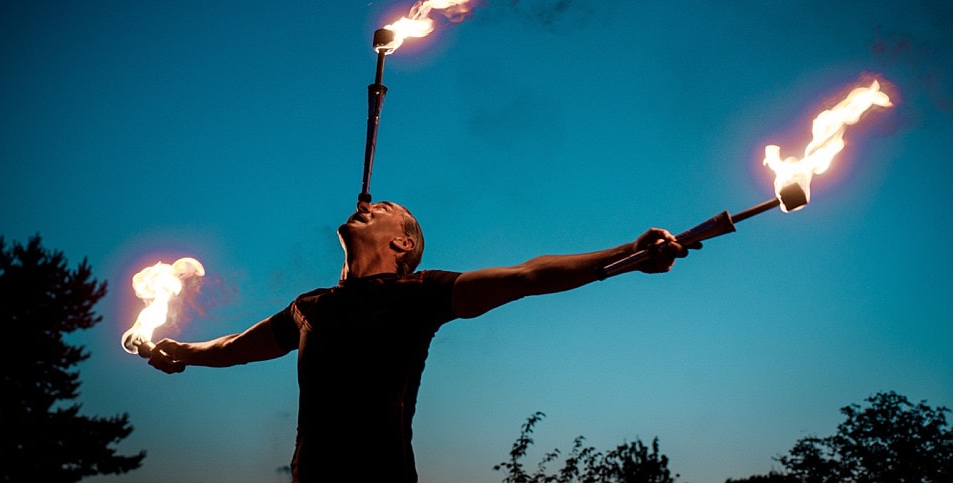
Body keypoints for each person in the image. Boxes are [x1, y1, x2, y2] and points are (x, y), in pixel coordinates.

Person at [147, 200, 698, 482]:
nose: (374, 205)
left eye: (390, 211)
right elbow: (233, 347)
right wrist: (180, 352)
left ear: (404, 243)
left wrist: (625, 255)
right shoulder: (309, 306)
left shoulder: (420, 293)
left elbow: (531, 275)